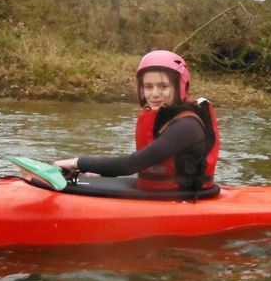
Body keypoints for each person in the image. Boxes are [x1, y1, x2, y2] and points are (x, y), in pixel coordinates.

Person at [54, 50, 219, 192]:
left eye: (163, 86)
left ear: (179, 87)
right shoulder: (164, 117)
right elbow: (145, 163)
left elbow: (132, 164)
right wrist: (101, 173)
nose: (154, 94)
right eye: (148, 87)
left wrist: (77, 163)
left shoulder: (187, 126)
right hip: (158, 191)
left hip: (183, 197)